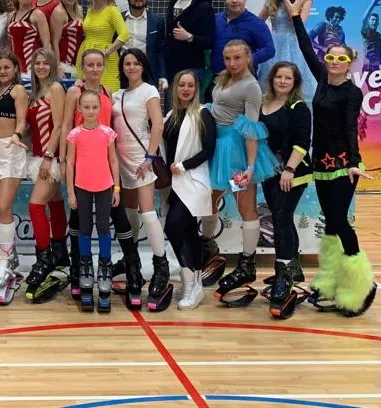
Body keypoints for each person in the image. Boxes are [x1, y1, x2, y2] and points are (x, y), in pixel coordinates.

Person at [292, 9, 377, 317]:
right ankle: (329, 282)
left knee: (340, 220)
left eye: (341, 59)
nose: (335, 62)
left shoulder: (352, 93)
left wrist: (354, 161)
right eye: (331, 57)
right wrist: (296, 17)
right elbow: (305, 48)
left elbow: (350, 127)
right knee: (330, 223)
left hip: (344, 165)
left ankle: (362, 286)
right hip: (321, 165)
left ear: (349, 63)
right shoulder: (322, 83)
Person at [207, 40, 278, 298]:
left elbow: (251, 129)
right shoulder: (223, 77)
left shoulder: (251, 86)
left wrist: (249, 166)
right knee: (209, 200)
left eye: (237, 57)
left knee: (246, 206)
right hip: (216, 146)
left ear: (248, 57)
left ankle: (247, 262)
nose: (232, 63)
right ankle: (208, 249)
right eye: (228, 58)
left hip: (235, 152)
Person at [112, 49, 167, 307]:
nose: (131, 67)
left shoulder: (149, 91)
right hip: (120, 157)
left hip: (141, 156)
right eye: (127, 63)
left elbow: (158, 124)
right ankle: (130, 258)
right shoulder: (118, 94)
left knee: (147, 211)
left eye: (136, 63)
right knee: (129, 210)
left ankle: (160, 265)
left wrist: (149, 156)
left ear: (143, 66)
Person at [259, 61, 313, 316]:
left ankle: (283, 273)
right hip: (270, 171)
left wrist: (289, 169)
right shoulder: (263, 104)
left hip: (294, 172)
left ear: (295, 82)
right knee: (283, 217)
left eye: (288, 78)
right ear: (272, 79)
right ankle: (293, 268)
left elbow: (302, 143)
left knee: (281, 218)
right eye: (279, 77)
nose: (282, 81)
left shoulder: (299, 108)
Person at [59, 49, 115, 292]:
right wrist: (63, 159)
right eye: (90, 65)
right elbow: (65, 126)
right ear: (83, 68)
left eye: (99, 64)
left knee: (103, 223)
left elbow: (109, 129)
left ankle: (104, 266)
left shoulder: (108, 92)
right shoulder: (75, 91)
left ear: (104, 67)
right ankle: (80, 269)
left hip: (103, 167)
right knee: (80, 221)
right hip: (80, 164)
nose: (94, 69)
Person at [160, 70, 216, 310]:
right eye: (181, 85)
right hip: (174, 183)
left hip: (193, 180)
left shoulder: (202, 114)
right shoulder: (171, 115)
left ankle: (191, 284)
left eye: (190, 85)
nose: (185, 89)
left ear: (196, 88)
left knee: (173, 226)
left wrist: (184, 165)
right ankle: (195, 285)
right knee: (189, 231)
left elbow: (208, 149)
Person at [66, 89, 120, 312]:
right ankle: (85, 269)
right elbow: (70, 164)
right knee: (85, 227)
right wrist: (70, 192)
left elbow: (113, 160)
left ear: (100, 108)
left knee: (103, 227)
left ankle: (105, 270)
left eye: (94, 107)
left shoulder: (108, 133)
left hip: (105, 186)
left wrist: (117, 188)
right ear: (79, 109)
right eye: (86, 107)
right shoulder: (74, 135)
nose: (90, 111)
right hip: (82, 187)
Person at [23, 49, 69, 301]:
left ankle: (44, 257)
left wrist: (50, 156)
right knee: (55, 202)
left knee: (35, 205)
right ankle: (61, 255)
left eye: (45, 63)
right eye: (37, 63)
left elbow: (60, 125)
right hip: (39, 155)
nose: (41, 67)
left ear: (52, 66)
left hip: (50, 157)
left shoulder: (56, 89)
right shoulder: (35, 92)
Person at [0, 51, 28, 301]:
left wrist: (17, 135)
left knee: (3, 205)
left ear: (15, 69)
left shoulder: (18, 90)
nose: (2, 71)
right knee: (3, 209)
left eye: (7, 67)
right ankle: (10, 256)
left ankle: (3, 261)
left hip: (10, 149)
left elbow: (22, 120)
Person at [257, 0, 315, 100]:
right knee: (272, 81)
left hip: (296, 43)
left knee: (296, 80)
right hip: (276, 43)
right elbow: (259, 21)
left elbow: (298, 23)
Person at [76, 0, 129, 93]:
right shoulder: (90, 9)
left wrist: (106, 51)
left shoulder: (112, 10)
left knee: (104, 94)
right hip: (86, 53)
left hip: (104, 58)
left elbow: (125, 34)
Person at [164, 0, 214, 88]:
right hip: (171, 67)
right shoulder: (172, 1)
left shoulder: (204, 7)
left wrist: (189, 37)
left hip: (193, 68)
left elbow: (209, 41)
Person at [212, 0, 274, 80]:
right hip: (216, 79)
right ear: (225, 0)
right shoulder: (216, 19)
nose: (234, 0)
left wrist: (246, 60)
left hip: (243, 80)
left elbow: (269, 49)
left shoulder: (256, 24)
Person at [122, 0, 167, 91]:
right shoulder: (119, 19)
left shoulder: (157, 21)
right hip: (123, 75)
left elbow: (160, 51)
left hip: (148, 74)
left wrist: (162, 75)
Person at [8, 0, 51, 77]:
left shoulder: (38, 14)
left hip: (32, 65)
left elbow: (46, 44)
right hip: (14, 64)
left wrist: (46, 65)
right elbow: (9, 44)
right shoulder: (11, 16)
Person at [51, 0, 84, 78]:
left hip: (78, 63)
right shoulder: (59, 12)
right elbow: (54, 42)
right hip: (64, 64)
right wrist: (58, 67)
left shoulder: (79, 10)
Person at [360, 0, 381, 72]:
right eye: (372, 20)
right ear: (369, 21)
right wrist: (372, 5)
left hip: (377, 68)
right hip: (368, 68)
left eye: (376, 20)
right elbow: (364, 20)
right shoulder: (366, 31)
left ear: (378, 23)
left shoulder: (378, 35)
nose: (374, 21)